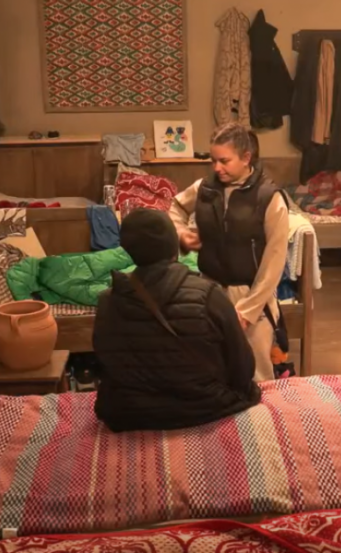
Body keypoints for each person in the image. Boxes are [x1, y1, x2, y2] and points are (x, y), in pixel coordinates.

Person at [92, 208, 261, 432]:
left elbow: (104, 364)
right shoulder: (209, 295)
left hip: (129, 413)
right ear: (174, 246)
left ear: (127, 248)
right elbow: (243, 369)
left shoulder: (107, 301)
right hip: (205, 408)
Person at [169, 123, 289, 382]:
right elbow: (175, 207)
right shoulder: (205, 188)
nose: (216, 168)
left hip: (251, 296)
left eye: (224, 161)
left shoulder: (269, 198)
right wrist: (181, 233)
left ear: (246, 158)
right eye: (213, 161)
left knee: (257, 377)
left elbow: (274, 263)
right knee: (213, 373)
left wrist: (248, 310)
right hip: (210, 292)